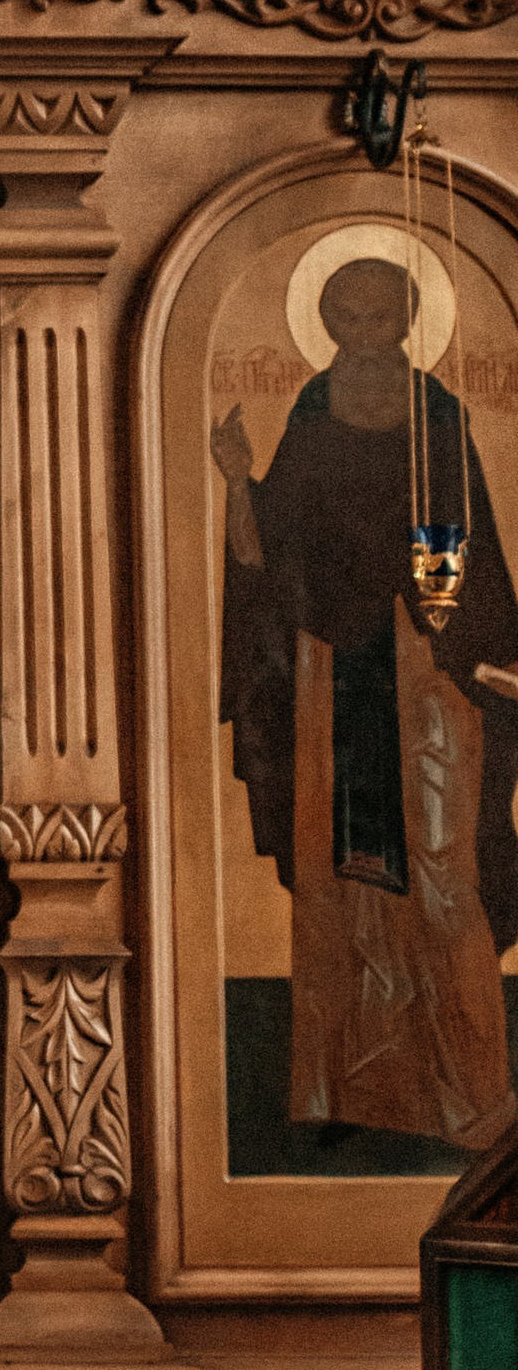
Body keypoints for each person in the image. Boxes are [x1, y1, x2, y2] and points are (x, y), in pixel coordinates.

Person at [216, 253, 518, 1148]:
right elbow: (267, 549)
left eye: (380, 316)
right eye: (345, 317)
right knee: (341, 880)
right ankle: (349, 1095)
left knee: (439, 876)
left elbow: (467, 552)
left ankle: (469, 1096)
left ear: (408, 321)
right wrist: (237, 479)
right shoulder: (312, 410)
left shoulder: (437, 417)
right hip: (334, 672)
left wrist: (447, 617)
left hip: (428, 670)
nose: (363, 333)